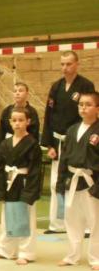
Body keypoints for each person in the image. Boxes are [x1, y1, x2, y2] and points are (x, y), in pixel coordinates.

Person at [42, 51, 95, 234]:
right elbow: (48, 115)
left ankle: (88, 226)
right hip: (57, 141)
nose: (65, 68)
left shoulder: (86, 85)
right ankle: (57, 224)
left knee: (81, 181)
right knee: (56, 182)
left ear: (77, 64)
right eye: (62, 64)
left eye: (69, 64)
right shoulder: (56, 87)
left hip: (78, 140)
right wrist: (48, 144)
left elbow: (89, 113)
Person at [0, 107, 42, 265]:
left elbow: (35, 171)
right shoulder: (5, 143)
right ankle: (6, 250)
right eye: (14, 120)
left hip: (23, 182)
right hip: (8, 182)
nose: (17, 124)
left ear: (28, 121)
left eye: (21, 120)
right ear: (10, 122)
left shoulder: (32, 144)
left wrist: (30, 192)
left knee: (25, 218)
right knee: (7, 218)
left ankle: (26, 252)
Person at [56, 92, 99, 270]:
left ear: (97, 108)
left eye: (88, 104)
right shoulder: (72, 130)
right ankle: (72, 255)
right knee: (72, 220)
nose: (83, 107)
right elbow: (64, 158)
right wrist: (60, 181)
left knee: (95, 221)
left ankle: (95, 257)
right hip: (72, 180)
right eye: (81, 104)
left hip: (91, 181)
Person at [0, 82, 40, 161]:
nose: (17, 93)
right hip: (8, 147)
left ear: (27, 94)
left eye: (20, 91)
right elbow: (0, 133)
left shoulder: (32, 112)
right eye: (15, 91)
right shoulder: (7, 111)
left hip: (25, 148)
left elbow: (34, 134)